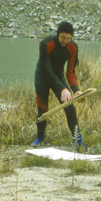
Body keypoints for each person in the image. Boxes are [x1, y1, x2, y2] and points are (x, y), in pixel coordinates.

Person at [32, 21, 87, 150]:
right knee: (42, 109)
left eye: (68, 38)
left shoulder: (73, 47)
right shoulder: (46, 44)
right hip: (43, 76)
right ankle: (40, 137)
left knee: (70, 107)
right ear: (57, 34)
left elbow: (70, 72)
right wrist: (62, 88)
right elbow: (47, 70)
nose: (65, 41)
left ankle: (77, 139)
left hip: (58, 76)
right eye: (62, 37)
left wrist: (76, 91)